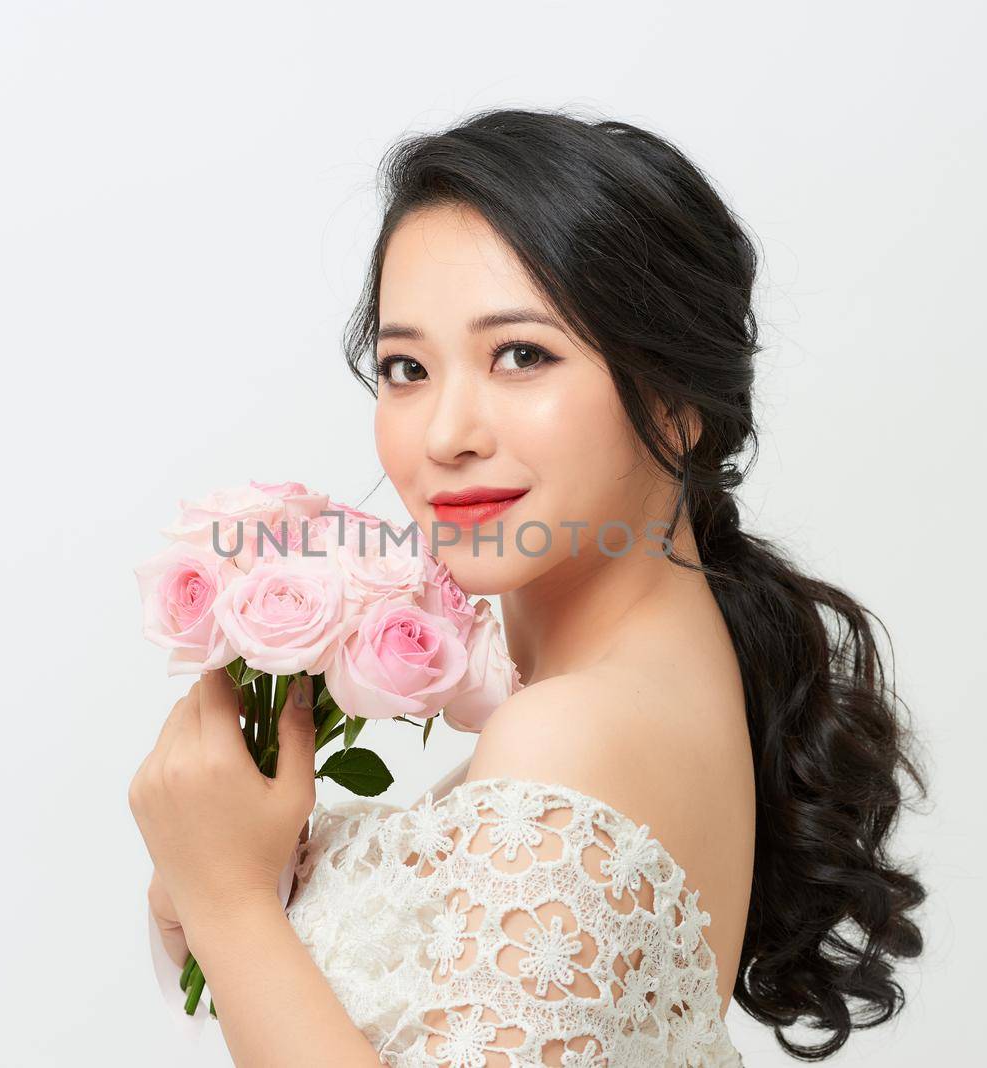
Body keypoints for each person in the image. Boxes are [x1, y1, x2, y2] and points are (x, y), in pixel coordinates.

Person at [131, 106, 928, 1066]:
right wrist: (235, 897)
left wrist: (229, 901)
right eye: (407, 367)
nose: (444, 435)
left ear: (675, 405)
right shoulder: (650, 678)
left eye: (522, 355)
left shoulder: (573, 734)